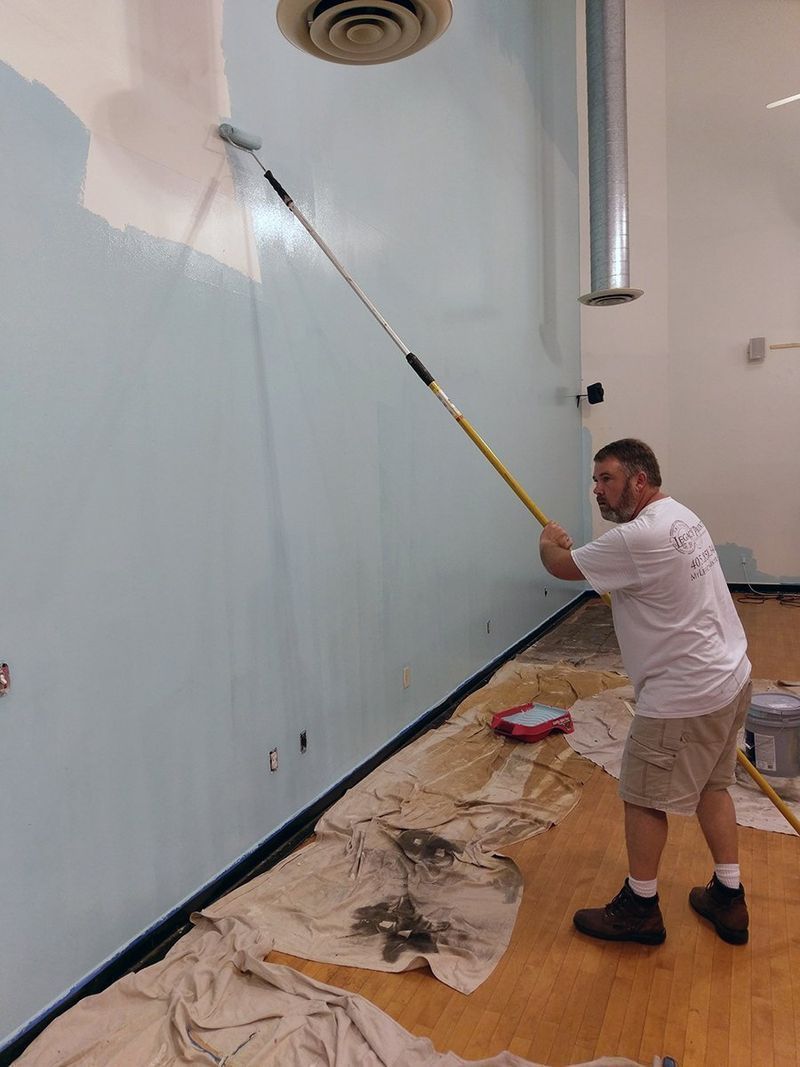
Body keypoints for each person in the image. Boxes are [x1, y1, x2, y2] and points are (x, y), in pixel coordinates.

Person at [539, 438, 751, 946]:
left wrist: (548, 541)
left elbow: (562, 567)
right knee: (711, 787)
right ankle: (729, 895)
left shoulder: (638, 537)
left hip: (685, 696)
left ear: (639, 480)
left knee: (642, 798)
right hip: (730, 677)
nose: (597, 490)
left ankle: (640, 908)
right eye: (595, 481)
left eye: (607, 479)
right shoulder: (680, 516)